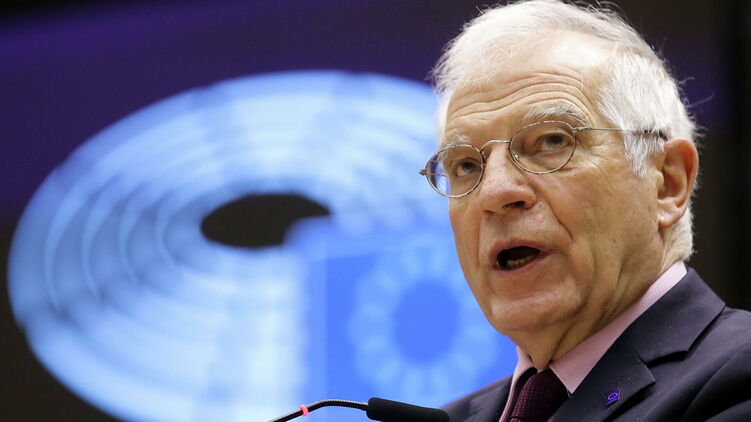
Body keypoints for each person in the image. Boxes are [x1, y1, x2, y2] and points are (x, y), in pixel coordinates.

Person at [419, 0, 751, 420]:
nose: (495, 192)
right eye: (466, 165)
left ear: (667, 183)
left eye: (552, 141)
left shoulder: (737, 380)